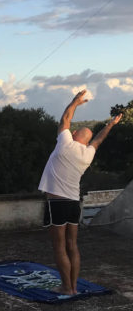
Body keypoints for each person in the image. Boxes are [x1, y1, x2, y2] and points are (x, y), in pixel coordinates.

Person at [38, 89, 121, 295]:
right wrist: (111, 124)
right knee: (72, 245)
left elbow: (66, 118)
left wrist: (75, 101)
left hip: (56, 203)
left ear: (74, 135)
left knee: (59, 247)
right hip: (74, 204)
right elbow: (99, 140)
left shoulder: (65, 144)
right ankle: (73, 286)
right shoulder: (88, 154)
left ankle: (67, 287)